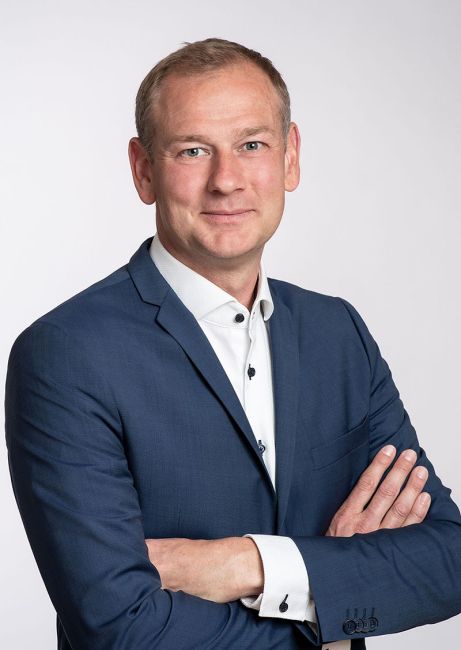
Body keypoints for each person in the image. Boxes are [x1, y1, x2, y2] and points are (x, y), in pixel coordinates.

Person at [5, 38, 461, 650]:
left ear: (290, 157)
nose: (226, 180)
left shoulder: (338, 334)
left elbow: (448, 558)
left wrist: (250, 564)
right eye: (193, 150)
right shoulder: (65, 355)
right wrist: (333, 594)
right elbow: (120, 629)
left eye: (252, 145)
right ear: (143, 169)